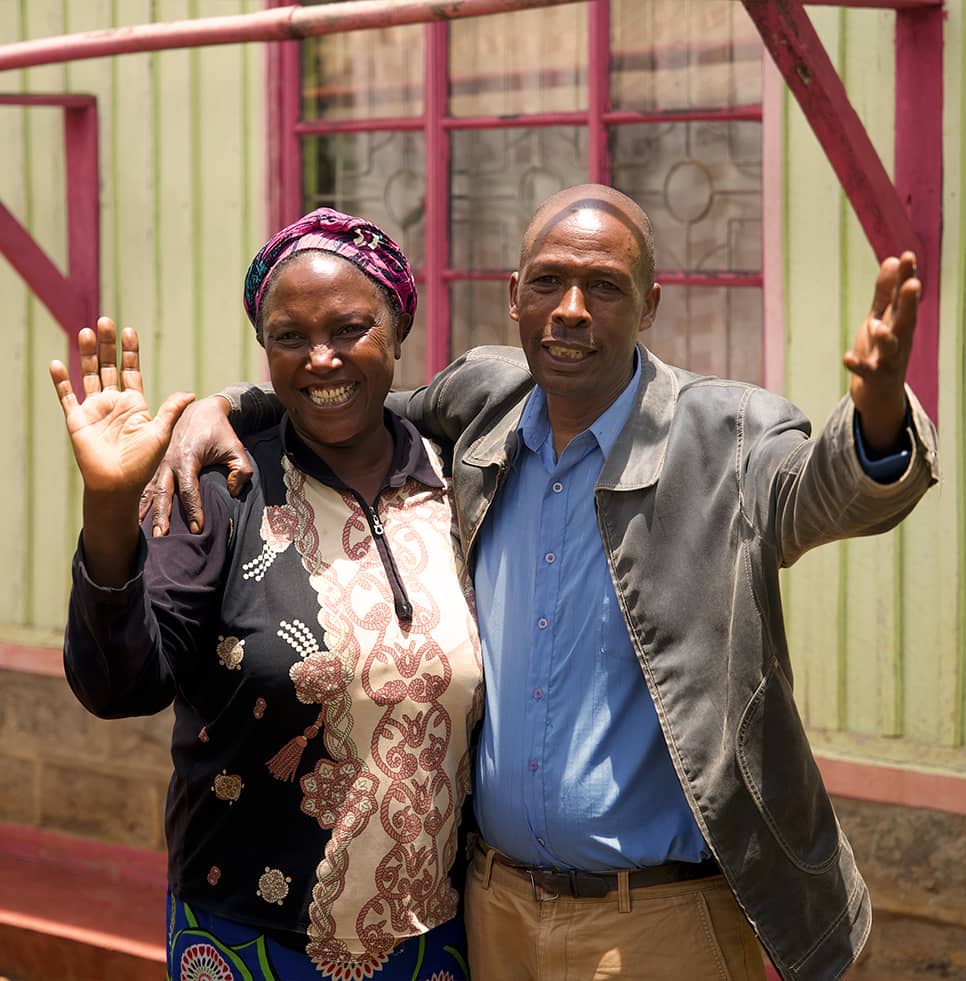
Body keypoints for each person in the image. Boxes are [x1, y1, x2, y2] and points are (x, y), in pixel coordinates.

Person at [148, 185, 938, 981]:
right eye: (549, 282)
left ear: (649, 304)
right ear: (514, 297)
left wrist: (873, 422)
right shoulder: (483, 407)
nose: (571, 309)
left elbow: (814, 494)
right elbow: (341, 391)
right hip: (493, 916)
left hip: (659, 921)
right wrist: (219, 407)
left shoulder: (727, 435)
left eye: (604, 287)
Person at [49, 209, 483, 981]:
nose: (321, 358)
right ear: (265, 348)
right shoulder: (221, 487)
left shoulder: (460, 487)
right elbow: (120, 685)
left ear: (396, 330)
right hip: (248, 938)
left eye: (350, 328)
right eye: (290, 335)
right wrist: (110, 510)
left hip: (431, 941)